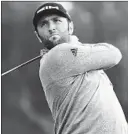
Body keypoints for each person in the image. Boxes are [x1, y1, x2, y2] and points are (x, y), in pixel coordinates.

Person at [33, 2, 128, 134]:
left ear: (70, 26)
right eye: (44, 24)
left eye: (57, 21)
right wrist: (73, 42)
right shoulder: (58, 54)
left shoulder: (76, 59)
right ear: (38, 35)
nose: (51, 27)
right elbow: (114, 54)